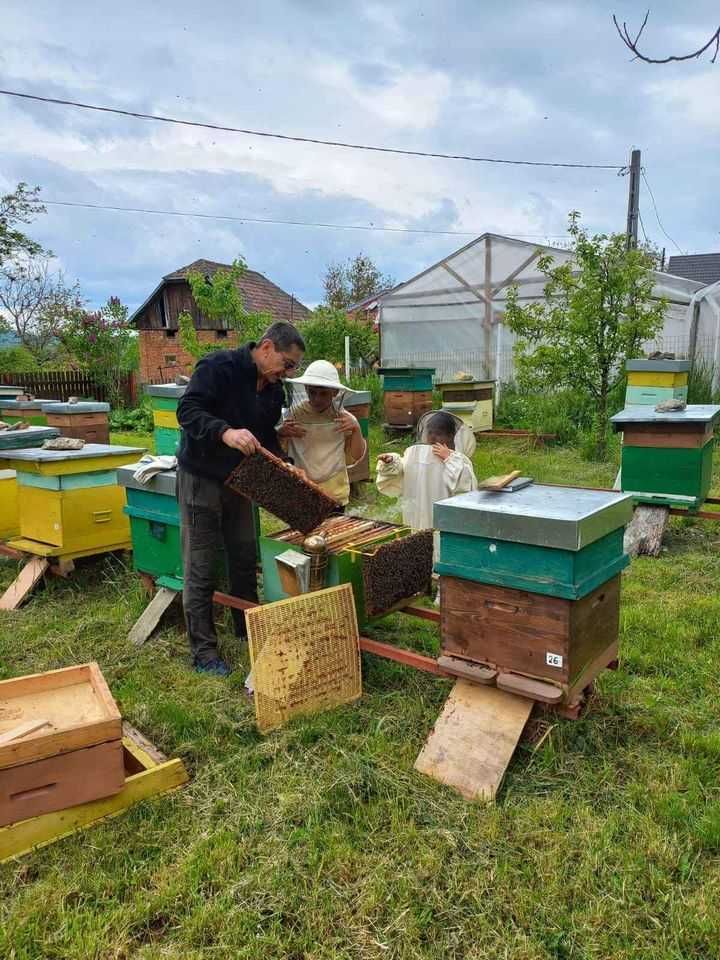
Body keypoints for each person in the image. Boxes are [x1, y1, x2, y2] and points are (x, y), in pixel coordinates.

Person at [176, 321, 305, 677]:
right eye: (288, 363)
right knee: (201, 567)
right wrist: (225, 432)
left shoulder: (275, 391)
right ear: (266, 348)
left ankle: (246, 629)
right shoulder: (218, 367)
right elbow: (187, 412)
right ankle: (203, 652)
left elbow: (267, 439)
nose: (288, 372)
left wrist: (286, 466)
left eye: (293, 367)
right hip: (201, 478)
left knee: (246, 558)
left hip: (242, 483)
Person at [376, 409, 477, 554]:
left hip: (442, 518)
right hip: (416, 513)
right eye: (430, 432)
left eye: (439, 433)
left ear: (451, 436)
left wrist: (449, 458)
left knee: (440, 548)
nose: (433, 436)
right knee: (415, 546)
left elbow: (466, 488)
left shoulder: (458, 460)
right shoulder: (414, 455)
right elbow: (401, 469)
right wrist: (391, 462)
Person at [277, 360, 366, 506]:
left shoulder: (344, 418)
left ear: (335, 393)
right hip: (302, 493)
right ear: (306, 389)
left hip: (335, 494)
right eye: (312, 392)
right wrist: (281, 433)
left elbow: (356, 456)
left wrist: (356, 429)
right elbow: (280, 454)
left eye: (324, 393)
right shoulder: (295, 416)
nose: (317, 399)